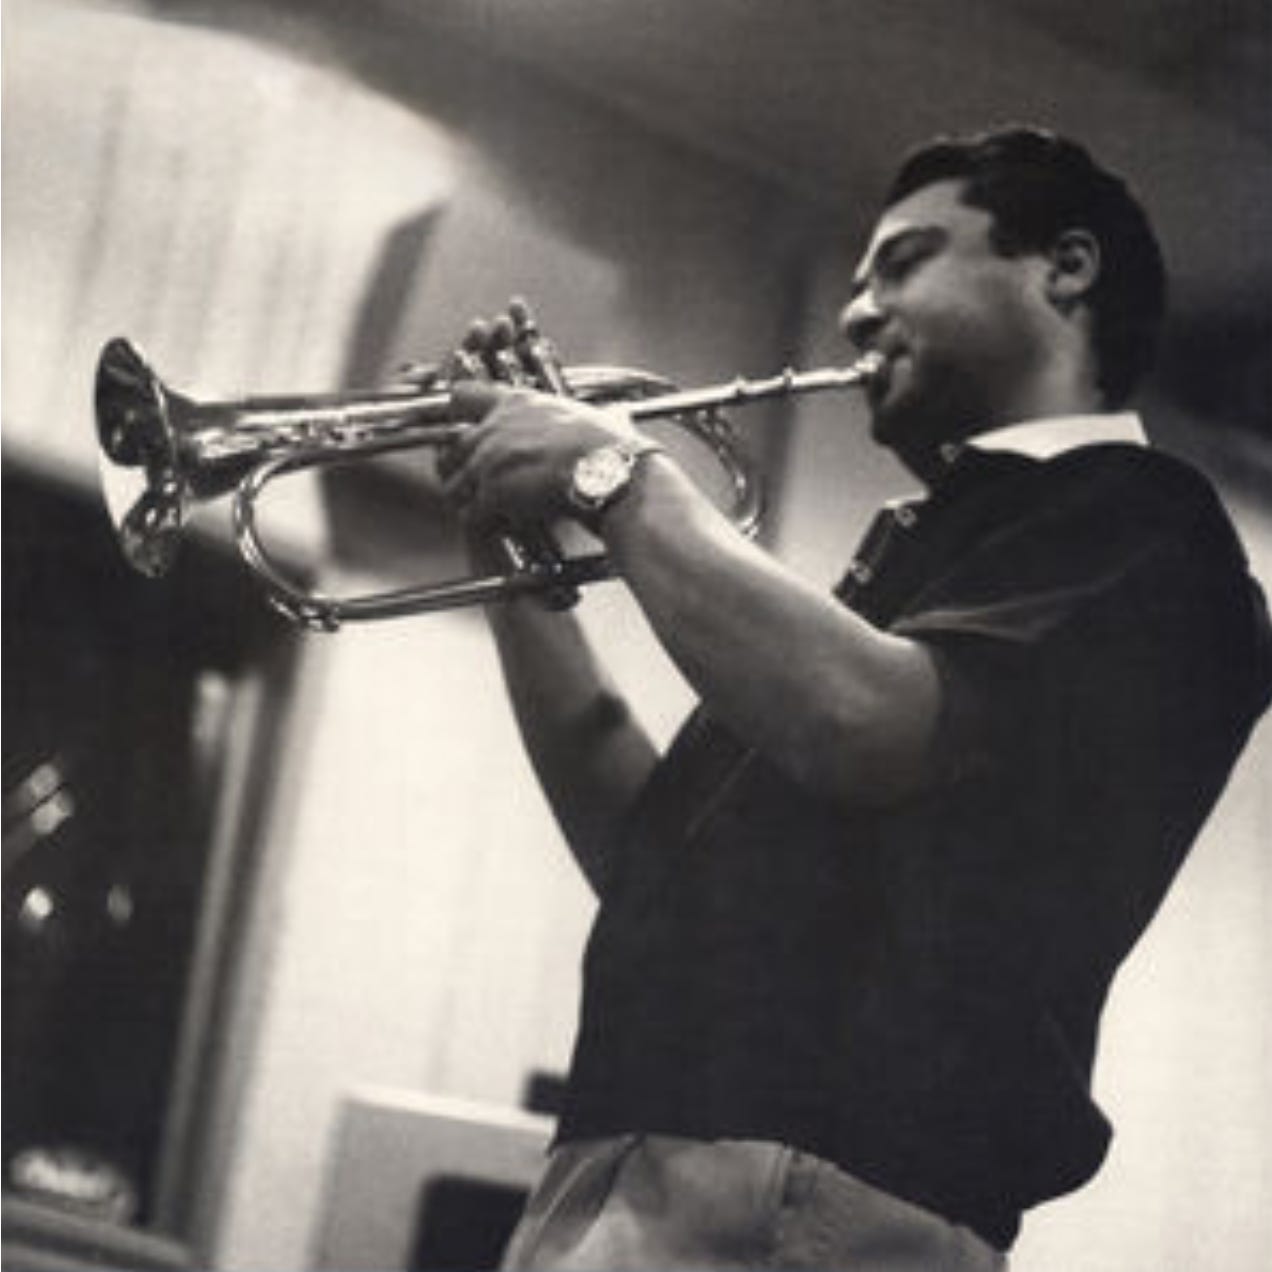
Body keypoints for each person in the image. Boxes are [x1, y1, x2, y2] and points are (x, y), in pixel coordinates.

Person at [438, 127, 1272, 1269]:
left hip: (811, 1183)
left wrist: (614, 473)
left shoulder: (1140, 520)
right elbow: (641, 850)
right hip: (640, 1157)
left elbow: (866, 727)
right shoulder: (921, 558)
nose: (856, 314)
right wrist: (505, 548)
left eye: (906, 263)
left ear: (1066, 268)